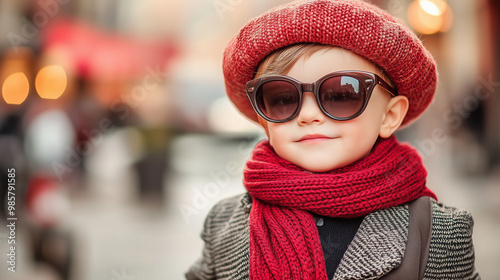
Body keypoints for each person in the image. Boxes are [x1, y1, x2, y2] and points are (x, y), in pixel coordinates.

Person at [186, 0, 480, 279]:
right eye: (283, 98)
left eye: (341, 95)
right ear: (264, 118)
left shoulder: (437, 231)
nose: (309, 115)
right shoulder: (224, 224)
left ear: (389, 116)